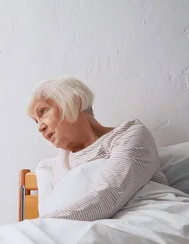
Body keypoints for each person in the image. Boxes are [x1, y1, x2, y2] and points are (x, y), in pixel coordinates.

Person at [27, 76, 168, 222]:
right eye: (36, 121)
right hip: (78, 232)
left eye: (43, 112)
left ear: (75, 102)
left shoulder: (129, 134)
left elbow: (109, 194)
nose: (40, 127)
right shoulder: (50, 169)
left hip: (148, 221)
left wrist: (36, 227)